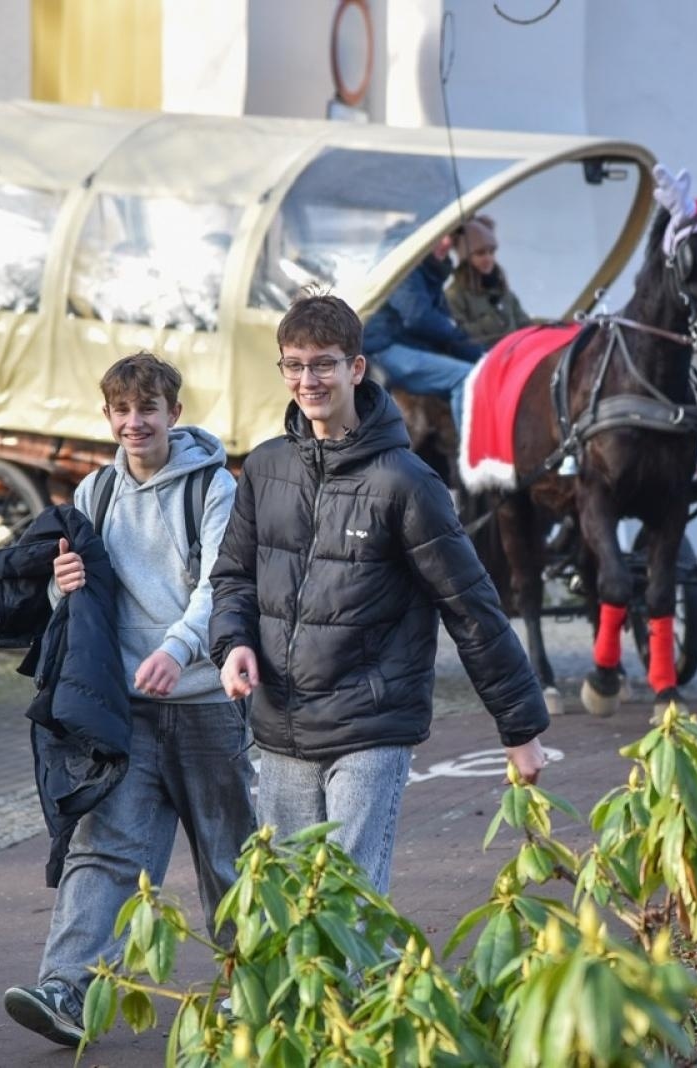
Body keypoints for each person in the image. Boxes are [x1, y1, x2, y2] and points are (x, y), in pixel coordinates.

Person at [208, 292, 548, 896]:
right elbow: (233, 576)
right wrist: (232, 642)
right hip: (281, 722)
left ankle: (374, 988)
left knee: (349, 901)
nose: (307, 379)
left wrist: (519, 729)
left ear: (356, 369)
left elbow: (470, 608)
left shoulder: (406, 482)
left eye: (323, 364)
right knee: (290, 904)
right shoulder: (265, 468)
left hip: (371, 726)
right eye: (294, 364)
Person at [3, 352, 256, 1048]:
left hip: (206, 703)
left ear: (175, 413)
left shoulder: (213, 486)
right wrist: (65, 581)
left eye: (149, 409)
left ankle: (255, 989)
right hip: (128, 711)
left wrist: (177, 651)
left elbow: (221, 585)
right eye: (122, 410)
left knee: (232, 858)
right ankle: (66, 991)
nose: (134, 422)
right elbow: (78, 602)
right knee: (104, 847)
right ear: (108, 415)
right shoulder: (96, 493)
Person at [361, 233, 483, 431]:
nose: (446, 242)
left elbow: (447, 329)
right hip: (382, 348)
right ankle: (473, 455)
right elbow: (418, 317)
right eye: (438, 236)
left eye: (450, 235)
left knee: (480, 371)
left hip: (404, 345)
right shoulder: (403, 266)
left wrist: (486, 358)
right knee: (467, 378)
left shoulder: (430, 274)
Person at [446, 214, 533, 348]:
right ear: (466, 258)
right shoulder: (454, 296)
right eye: (480, 253)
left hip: (517, 355)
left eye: (491, 252)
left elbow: (524, 324)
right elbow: (458, 335)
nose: (488, 259)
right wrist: (490, 321)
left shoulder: (503, 290)